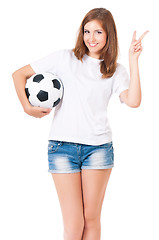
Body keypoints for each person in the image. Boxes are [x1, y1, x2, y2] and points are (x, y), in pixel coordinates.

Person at [12, 7, 148, 240]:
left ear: (109, 36)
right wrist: (27, 107)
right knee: (74, 225)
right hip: (62, 148)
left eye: (98, 32)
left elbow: (133, 101)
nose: (90, 38)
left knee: (92, 219)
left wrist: (134, 61)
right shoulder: (65, 58)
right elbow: (18, 75)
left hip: (98, 149)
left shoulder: (115, 70)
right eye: (87, 31)